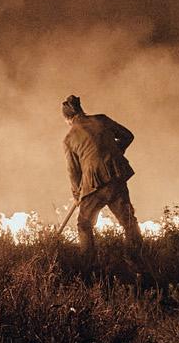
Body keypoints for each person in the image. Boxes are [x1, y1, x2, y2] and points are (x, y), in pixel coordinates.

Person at [61, 95, 142, 249]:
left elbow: (73, 171)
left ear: (68, 119)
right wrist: (116, 152)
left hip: (94, 185)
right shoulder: (101, 120)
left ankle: (88, 267)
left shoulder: (69, 138)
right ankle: (139, 256)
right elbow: (127, 136)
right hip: (116, 176)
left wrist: (77, 195)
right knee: (129, 221)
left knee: (84, 225)